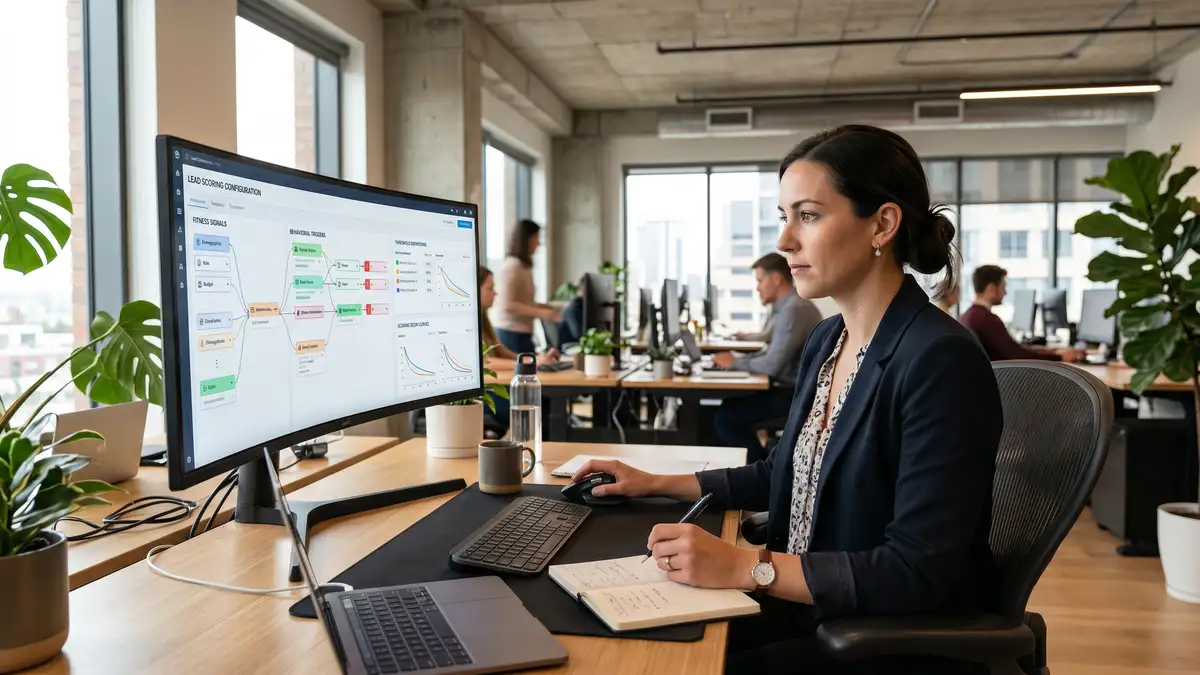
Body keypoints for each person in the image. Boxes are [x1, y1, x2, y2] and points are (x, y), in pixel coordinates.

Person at [572, 125, 1002, 675]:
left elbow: (916, 571)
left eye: (809, 215)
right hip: (804, 608)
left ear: (883, 223)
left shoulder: (939, 360)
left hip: (869, 638)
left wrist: (752, 567)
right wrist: (652, 482)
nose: (784, 242)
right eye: (784, 217)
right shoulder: (829, 340)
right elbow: (787, 471)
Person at [711, 253, 822, 462]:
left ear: (776, 279)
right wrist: (737, 359)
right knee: (723, 407)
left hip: (793, 395)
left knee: (725, 418)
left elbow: (771, 365)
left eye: (760, 280)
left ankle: (765, 472)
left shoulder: (793, 309)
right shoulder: (787, 307)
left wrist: (735, 362)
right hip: (789, 389)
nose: (757, 287)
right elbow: (771, 350)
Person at [479, 266, 555, 433]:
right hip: (487, 396)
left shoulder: (483, 320)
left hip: (497, 386)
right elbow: (483, 362)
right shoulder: (467, 324)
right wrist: (527, 365)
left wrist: (532, 360)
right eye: (490, 288)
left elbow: (501, 351)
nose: (496, 293)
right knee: (537, 408)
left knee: (545, 403)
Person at [959, 265, 1081, 362]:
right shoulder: (986, 319)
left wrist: (1053, 351)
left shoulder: (969, 315)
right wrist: (1059, 358)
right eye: (1003, 287)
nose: (1005, 292)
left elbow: (1014, 349)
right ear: (991, 289)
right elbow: (1017, 355)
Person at [494, 219, 559, 355]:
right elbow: (506, 304)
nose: (539, 243)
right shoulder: (512, 266)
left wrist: (544, 307)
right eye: (537, 238)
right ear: (527, 239)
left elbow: (523, 302)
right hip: (511, 334)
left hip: (522, 334)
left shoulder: (524, 267)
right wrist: (541, 313)